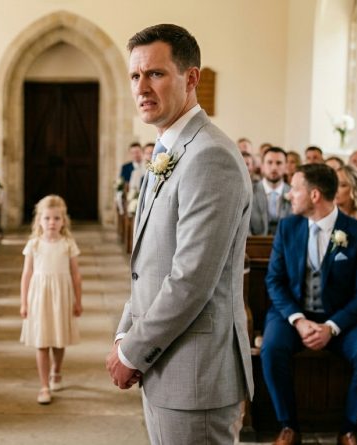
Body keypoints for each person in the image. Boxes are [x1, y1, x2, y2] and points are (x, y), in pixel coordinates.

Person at [107, 24, 252, 444]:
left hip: (196, 373)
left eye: (156, 74)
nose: (142, 87)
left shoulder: (209, 156)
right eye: (135, 76)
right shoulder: (168, 148)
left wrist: (132, 350)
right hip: (167, 363)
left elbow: (191, 278)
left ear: (191, 78)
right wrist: (124, 334)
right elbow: (149, 263)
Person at [262, 164, 357, 445]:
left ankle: (349, 429)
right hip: (292, 316)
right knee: (271, 348)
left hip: (342, 319)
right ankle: (288, 426)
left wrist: (331, 326)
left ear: (314, 195)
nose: (289, 195)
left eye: (295, 189)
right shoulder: (287, 228)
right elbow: (274, 281)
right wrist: (298, 320)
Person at [20, 195, 82, 405]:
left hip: (61, 297)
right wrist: (23, 302)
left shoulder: (68, 244)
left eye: (56, 218)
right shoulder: (34, 244)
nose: (52, 223)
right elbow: (26, 274)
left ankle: (56, 370)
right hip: (39, 297)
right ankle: (44, 385)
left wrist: (78, 300)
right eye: (47, 218)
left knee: (59, 337)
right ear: (39, 220)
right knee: (42, 340)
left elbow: (76, 275)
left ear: (64, 221)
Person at [250, 147, 291, 235]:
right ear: (262, 166)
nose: (274, 167)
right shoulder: (250, 192)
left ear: (286, 166)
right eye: (269, 162)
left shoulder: (294, 193)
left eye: (279, 163)